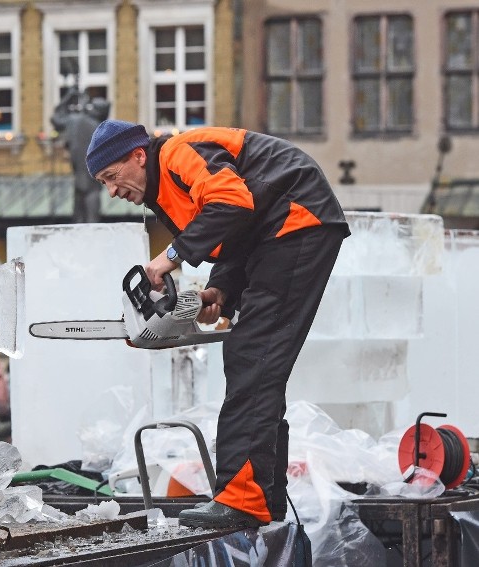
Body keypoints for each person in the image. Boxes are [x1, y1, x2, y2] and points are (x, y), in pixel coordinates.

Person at [85, 120, 350, 529]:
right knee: (258, 361)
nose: (113, 191)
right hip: (276, 231)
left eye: (112, 177)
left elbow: (232, 202)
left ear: (138, 155)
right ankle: (263, 498)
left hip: (295, 220)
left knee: (253, 356)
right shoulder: (165, 192)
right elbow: (235, 233)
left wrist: (168, 257)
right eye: (103, 182)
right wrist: (220, 291)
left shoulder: (177, 153)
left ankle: (243, 501)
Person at [51, 89, 111, 223]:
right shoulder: (101, 128)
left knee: (79, 218)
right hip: (93, 179)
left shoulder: (77, 121)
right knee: (91, 218)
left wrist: (68, 97)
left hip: (81, 176)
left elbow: (56, 118)